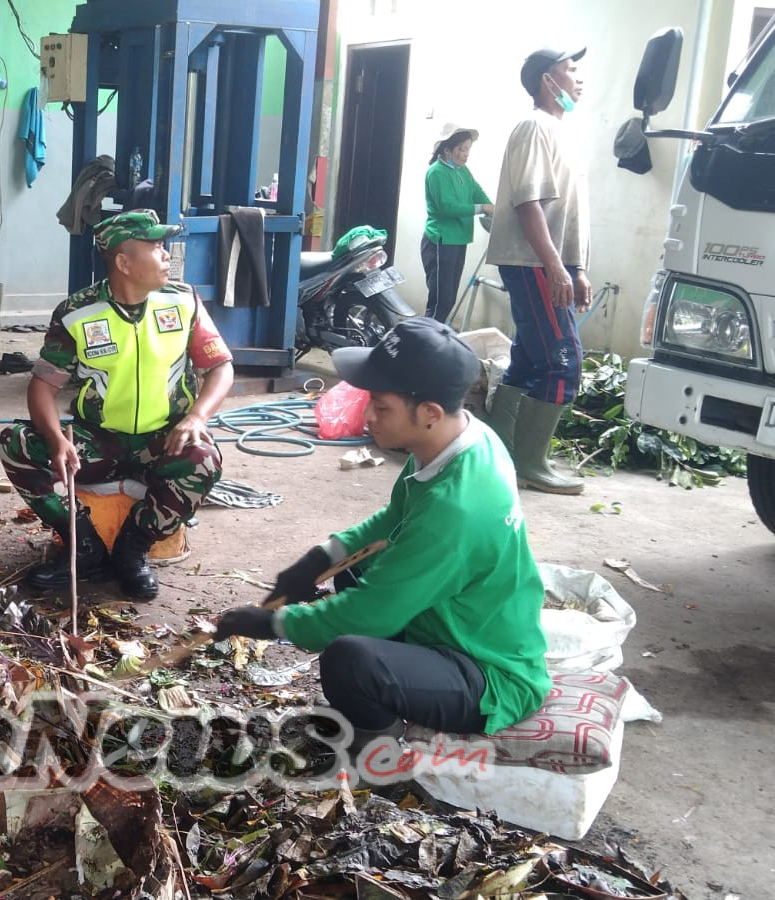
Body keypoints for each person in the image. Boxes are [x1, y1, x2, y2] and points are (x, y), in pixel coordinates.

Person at [213, 318, 550, 750]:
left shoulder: (456, 508)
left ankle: (375, 749)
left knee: (350, 660)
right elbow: (393, 520)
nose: (367, 415)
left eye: (382, 406)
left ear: (428, 412)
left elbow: (370, 615)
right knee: (350, 573)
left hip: (486, 672)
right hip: (460, 620)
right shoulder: (463, 439)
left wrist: (272, 622)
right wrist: (318, 559)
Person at [0, 210, 234, 600]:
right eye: (155, 247)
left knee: (204, 457)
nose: (166, 255)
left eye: (164, 245)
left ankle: (133, 551)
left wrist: (196, 417)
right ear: (123, 263)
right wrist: (57, 439)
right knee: (17, 443)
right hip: (99, 440)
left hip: (164, 437)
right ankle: (83, 544)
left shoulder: (184, 301)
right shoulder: (77, 312)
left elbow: (221, 366)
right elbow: (43, 384)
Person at [484, 46, 591, 494]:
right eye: (571, 70)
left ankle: (500, 453)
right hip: (532, 263)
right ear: (548, 81)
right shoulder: (533, 127)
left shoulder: (561, 131)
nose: (579, 78)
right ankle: (532, 463)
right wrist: (554, 267)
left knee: (529, 358)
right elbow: (528, 203)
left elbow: (570, 214)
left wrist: (577, 267)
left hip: (550, 263)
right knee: (562, 360)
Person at [422, 124, 493, 324]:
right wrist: (482, 209)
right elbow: (447, 207)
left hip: (458, 240)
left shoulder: (463, 171)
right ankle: (427, 342)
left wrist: (494, 209)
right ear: (447, 150)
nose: (465, 154)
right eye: (461, 149)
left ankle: (436, 339)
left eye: (468, 149)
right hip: (440, 241)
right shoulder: (436, 172)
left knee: (450, 297)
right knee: (440, 300)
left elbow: (477, 193)